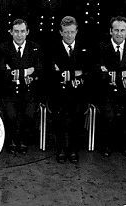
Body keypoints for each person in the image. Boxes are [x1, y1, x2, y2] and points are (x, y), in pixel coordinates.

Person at [45, 16, 90, 163]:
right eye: (66, 32)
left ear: (76, 31)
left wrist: (65, 71)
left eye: (72, 32)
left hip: (79, 93)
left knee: (77, 117)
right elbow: (51, 73)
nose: (69, 35)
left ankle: (73, 149)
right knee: (59, 119)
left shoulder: (85, 48)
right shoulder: (52, 48)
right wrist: (75, 72)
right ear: (60, 32)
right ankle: (61, 149)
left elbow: (88, 72)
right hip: (58, 92)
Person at [96, 17, 126, 158]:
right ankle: (107, 145)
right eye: (116, 30)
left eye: (122, 30)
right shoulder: (102, 48)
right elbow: (99, 73)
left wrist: (114, 74)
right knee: (109, 114)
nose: (119, 34)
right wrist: (123, 74)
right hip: (106, 91)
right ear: (110, 31)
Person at [0, 19, 43, 155]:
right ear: (11, 32)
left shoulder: (35, 48)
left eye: (22, 31)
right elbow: (1, 70)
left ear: (27, 32)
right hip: (9, 91)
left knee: (28, 114)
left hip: (29, 91)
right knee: (11, 115)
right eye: (16, 31)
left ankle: (23, 140)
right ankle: (11, 140)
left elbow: (40, 69)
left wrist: (16, 71)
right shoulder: (3, 48)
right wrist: (27, 71)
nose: (19, 35)